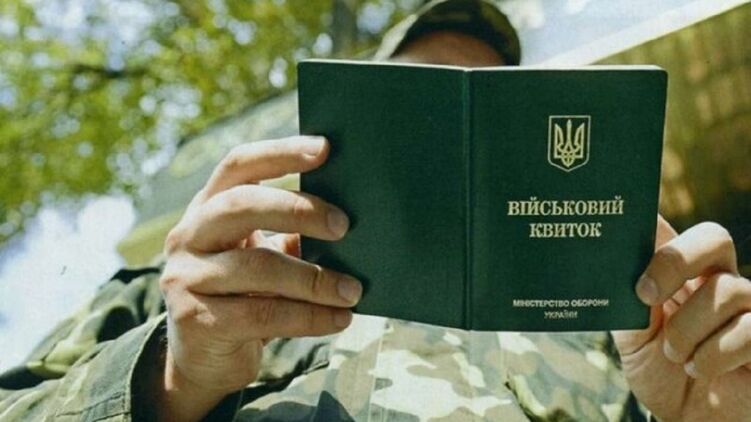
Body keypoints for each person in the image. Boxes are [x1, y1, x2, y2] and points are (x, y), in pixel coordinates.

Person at [1, 1, 749, 420]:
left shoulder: (619, 321)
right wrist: (175, 376)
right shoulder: (196, 289)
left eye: (494, 102)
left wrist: (705, 416)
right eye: (426, 92)